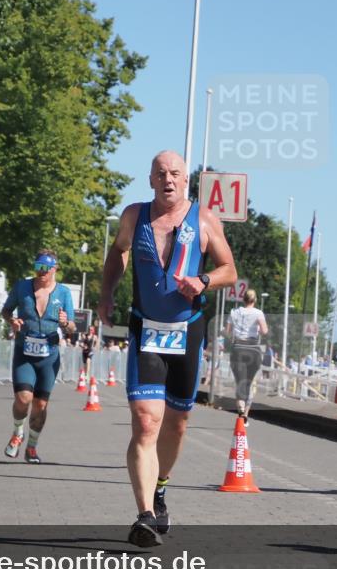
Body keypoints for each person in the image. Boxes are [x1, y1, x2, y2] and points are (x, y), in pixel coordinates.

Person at [99, 150, 237, 547]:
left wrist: (204, 281)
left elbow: (230, 270)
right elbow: (118, 252)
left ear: (185, 180)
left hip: (187, 331)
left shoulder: (205, 219)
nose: (168, 179)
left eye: (175, 173)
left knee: (177, 423)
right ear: (151, 180)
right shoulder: (133, 216)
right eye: (161, 173)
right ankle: (143, 516)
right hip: (146, 328)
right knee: (146, 421)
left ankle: (160, 487)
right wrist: (107, 294)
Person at [1, 250, 76, 464]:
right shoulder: (22, 287)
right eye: (38, 267)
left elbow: (71, 328)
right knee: (23, 398)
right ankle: (17, 433)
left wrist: (64, 322)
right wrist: (12, 321)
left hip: (49, 356)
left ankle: (32, 447)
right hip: (24, 352)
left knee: (41, 405)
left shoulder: (63, 293)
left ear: (55, 269)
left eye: (45, 268)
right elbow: (6, 311)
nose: (41, 272)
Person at [225, 289, 268, 424]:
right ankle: (245, 417)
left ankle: (241, 411)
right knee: (249, 384)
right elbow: (264, 331)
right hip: (253, 349)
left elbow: (227, 332)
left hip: (238, 348)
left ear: (243, 299)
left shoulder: (234, 312)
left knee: (240, 383)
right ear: (255, 300)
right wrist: (258, 329)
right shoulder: (258, 313)